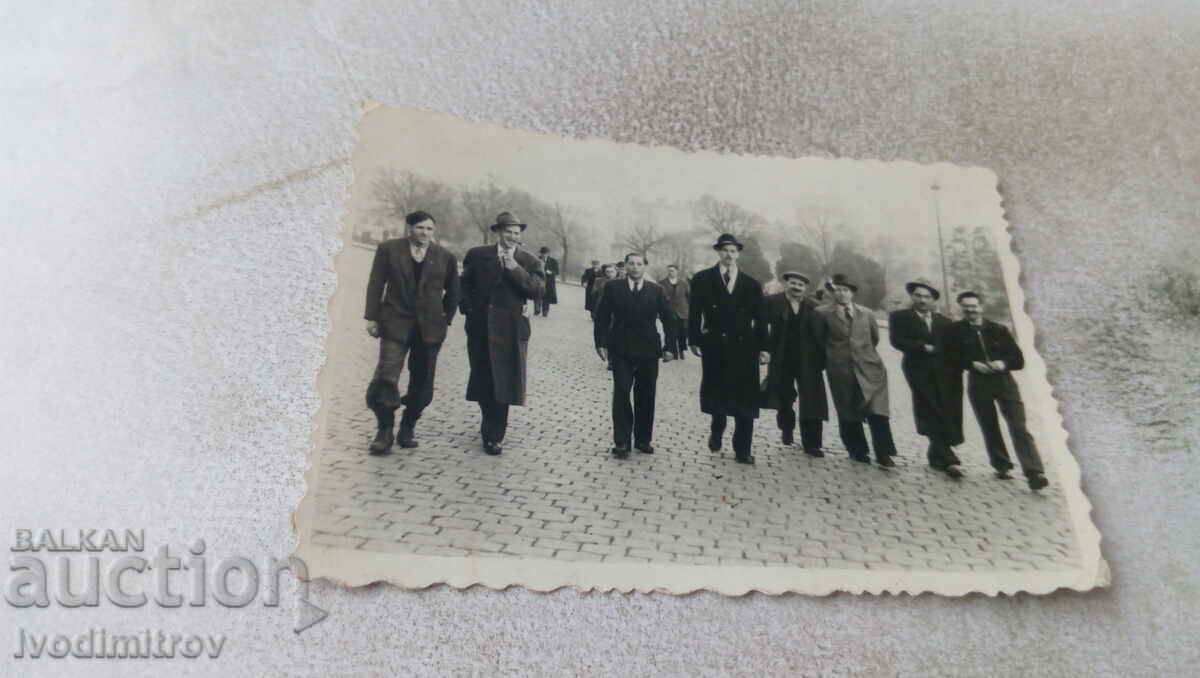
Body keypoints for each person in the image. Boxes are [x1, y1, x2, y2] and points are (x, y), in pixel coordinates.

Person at [363, 210, 460, 454]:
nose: (425, 233)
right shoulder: (389, 249)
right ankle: (384, 430)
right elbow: (376, 282)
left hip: (429, 329)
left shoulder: (445, 256)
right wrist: (372, 317)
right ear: (409, 229)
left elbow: (454, 291)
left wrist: (445, 318)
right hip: (395, 322)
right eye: (420, 228)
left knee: (423, 382)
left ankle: (408, 426)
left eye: (429, 229)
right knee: (386, 375)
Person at [942, 291, 1048, 490]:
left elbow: (1019, 360)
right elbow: (950, 358)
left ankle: (1034, 471)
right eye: (965, 306)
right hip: (978, 382)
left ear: (981, 307)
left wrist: (1003, 363)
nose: (970, 310)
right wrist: (972, 364)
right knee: (989, 425)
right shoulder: (954, 331)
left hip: (1004, 382)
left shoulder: (999, 329)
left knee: (1019, 426)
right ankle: (1001, 465)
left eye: (973, 306)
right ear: (961, 308)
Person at [459, 212, 546, 455]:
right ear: (498, 232)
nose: (512, 237)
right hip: (480, 328)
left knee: (505, 380)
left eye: (516, 233)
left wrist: (514, 268)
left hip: (511, 329)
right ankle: (489, 421)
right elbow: (464, 283)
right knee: (483, 378)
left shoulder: (529, 261)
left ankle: (495, 434)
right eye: (508, 232)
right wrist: (468, 307)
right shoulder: (477, 255)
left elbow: (537, 290)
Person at [688, 233, 769, 465]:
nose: (728, 254)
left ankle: (743, 448)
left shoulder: (751, 285)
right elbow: (694, 312)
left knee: (746, 397)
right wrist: (693, 339)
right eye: (724, 250)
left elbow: (761, 319)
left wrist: (764, 347)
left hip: (745, 348)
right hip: (715, 345)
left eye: (733, 251)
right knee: (717, 393)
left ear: (738, 254)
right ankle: (717, 427)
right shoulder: (703, 279)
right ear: (718, 252)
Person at [813, 273, 899, 467]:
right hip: (841, 370)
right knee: (848, 410)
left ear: (852, 293)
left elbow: (874, 339)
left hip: (871, 369)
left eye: (846, 290)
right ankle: (857, 450)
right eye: (838, 290)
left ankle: (884, 453)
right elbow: (820, 341)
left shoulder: (867, 313)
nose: (842, 294)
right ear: (833, 293)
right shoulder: (822, 313)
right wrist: (835, 359)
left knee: (878, 411)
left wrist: (865, 356)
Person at [594, 253, 674, 458]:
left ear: (645, 267)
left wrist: (669, 347)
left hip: (648, 350)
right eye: (631, 264)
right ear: (626, 266)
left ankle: (643, 439)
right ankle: (621, 441)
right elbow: (601, 316)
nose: (635, 267)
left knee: (646, 395)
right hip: (621, 349)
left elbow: (669, 319)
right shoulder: (613, 288)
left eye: (639, 264)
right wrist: (601, 344)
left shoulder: (656, 290)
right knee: (621, 392)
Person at [889, 278, 965, 478]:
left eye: (926, 297)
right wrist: (923, 347)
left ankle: (935, 454)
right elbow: (897, 341)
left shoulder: (944, 322)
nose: (922, 300)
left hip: (943, 373)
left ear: (933, 299)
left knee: (942, 409)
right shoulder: (900, 317)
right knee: (928, 407)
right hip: (917, 369)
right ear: (912, 296)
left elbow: (953, 348)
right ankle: (950, 460)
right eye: (918, 295)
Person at [763, 271, 828, 457]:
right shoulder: (772, 302)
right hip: (781, 357)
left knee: (812, 400)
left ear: (806, 288)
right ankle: (787, 426)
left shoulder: (814, 307)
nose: (796, 287)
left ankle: (812, 444)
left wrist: (821, 360)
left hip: (808, 360)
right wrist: (765, 348)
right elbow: (760, 325)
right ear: (786, 284)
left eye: (800, 285)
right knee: (784, 396)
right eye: (793, 283)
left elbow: (821, 336)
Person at [658, 263, 690, 361]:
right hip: (668, 312)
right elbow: (658, 299)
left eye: (672, 270)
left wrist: (688, 309)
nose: (670, 272)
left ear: (677, 271)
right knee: (669, 332)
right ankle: (672, 352)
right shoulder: (661, 283)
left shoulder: (684, 283)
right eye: (669, 271)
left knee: (683, 331)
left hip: (682, 311)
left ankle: (682, 350)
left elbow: (689, 297)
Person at [536, 246, 559, 317]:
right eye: (542, 253)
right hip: (538, 280)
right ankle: (537, 309)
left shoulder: (553, 261)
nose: (543, 255)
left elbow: (557, 272)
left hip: (549, 282)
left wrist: (551, 272)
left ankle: (545, 311)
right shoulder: (537, 259)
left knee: (546, 296)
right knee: (537, 295)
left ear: (548, 253)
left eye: (545, 253)